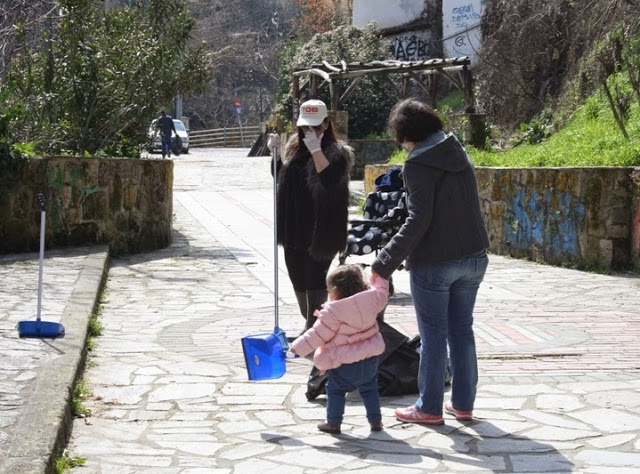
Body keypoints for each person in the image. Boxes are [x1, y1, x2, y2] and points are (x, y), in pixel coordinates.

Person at [370, 98, 490, 426]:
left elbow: (418, 220)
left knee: (434, 334)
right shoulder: (457, 152)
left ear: (407, 135)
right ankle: (463, 404)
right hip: (474, 257)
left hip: (436, 262)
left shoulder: (418, 164)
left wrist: (383, 263)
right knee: (461, 330)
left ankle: (430, 408)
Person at [267, 99, 353, 332]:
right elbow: (281, 178)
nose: (310, 132)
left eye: (316, 127)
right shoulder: (293, 147)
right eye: (306, 127)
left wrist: (316, 149)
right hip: (293, 225)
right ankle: (313, 322)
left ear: (326, 124)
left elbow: (329, 180)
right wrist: (274, 155)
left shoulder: (338, 152)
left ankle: (314, 329)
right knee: (298, 279)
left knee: (316, 280)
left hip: (321, 228)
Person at [288, 264, 389, 434]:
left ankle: (333, 422)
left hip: (343, 363)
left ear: (334, 290)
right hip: (370, 359)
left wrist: (295, 349)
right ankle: (376, 421)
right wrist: (378, 275)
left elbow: (316, 335)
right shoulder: (372, 300)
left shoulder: (333, 312)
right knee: (370, 389)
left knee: (335, 390)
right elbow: (383, 292)